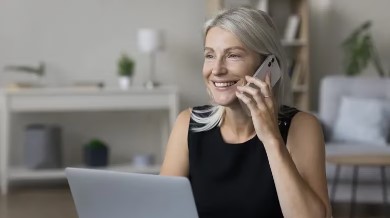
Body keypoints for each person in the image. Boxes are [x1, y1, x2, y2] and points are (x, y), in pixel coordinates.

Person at [160, 7, 331, 218]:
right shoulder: (188, 123)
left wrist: (271, 139)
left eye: (233, 55)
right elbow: (163, 209)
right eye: (210, 55)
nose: (217, 69)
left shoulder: (302, 127)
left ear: (269, 66)